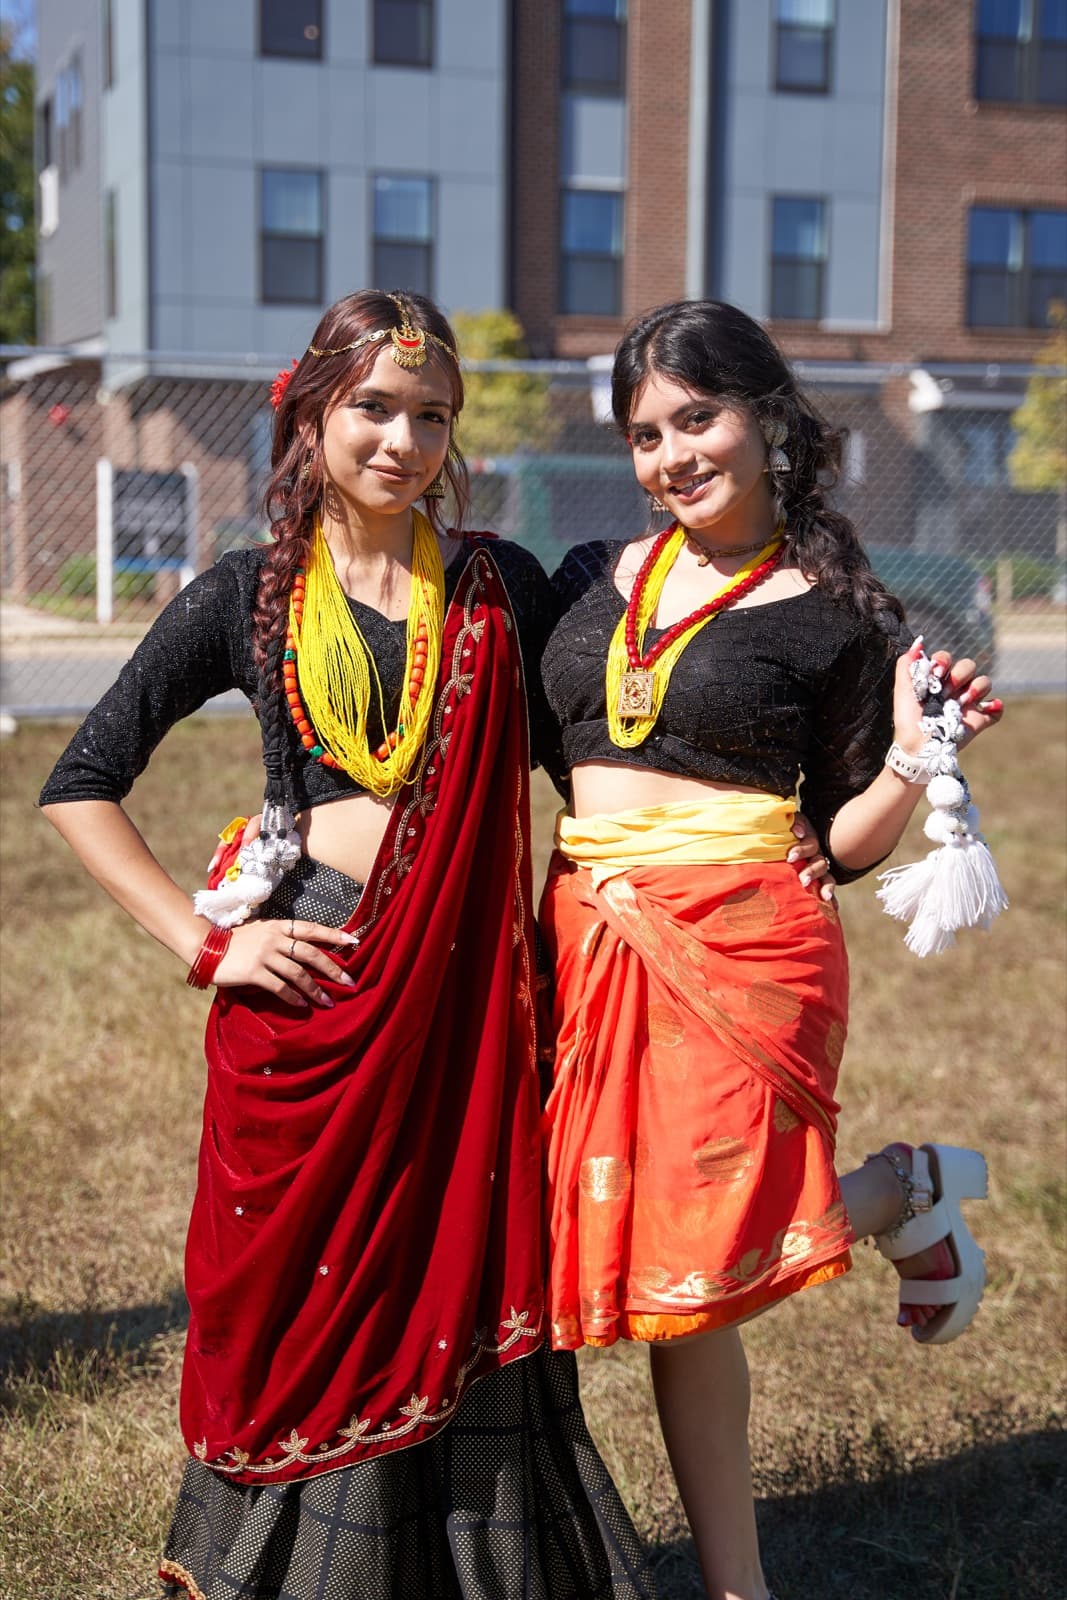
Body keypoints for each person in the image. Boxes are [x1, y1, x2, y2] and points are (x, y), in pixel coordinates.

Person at [39, 290, 665, 1600]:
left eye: (430, 415)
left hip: (471, 993)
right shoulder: (247, 597)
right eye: (373, 407)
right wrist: (204, 947)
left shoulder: (498, 589)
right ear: (313, 411)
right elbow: (83, 781)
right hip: (314, 986)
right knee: (313, 1305)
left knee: (464, 1289)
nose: (402, 439)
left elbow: (608, 742)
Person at [537, 299, 1004, 1600]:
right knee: (663, 1276)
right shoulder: (584, 579)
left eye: (698, 418)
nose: (672, 454)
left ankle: (898, 1192)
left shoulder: (841, 606)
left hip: (745, 951)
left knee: (702, 1251)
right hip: (587, 948)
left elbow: (848, 837)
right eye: (644, 433)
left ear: (766, 421)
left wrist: (916, 759)